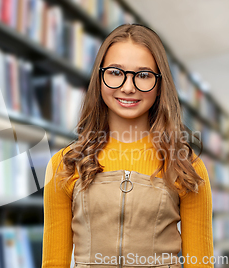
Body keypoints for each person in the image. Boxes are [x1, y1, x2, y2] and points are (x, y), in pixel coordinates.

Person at [42, 24, 214, 268]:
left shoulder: (187, 167)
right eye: (115, 72)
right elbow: (53, 262)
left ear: (159, 85)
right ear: (100, 77)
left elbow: (201, 264)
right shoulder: (64, 164)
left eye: (143, 75)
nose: (128, 87)